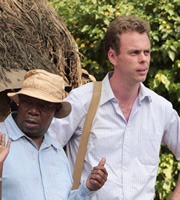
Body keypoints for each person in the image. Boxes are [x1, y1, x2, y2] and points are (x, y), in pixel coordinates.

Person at [49, 15, 180, 200]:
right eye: (134, 53)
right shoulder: (82, 101)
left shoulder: (161, 108)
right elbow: (43, 152)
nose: (144, 59)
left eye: (147, 52)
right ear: (113, 56)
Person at [0, 69, 108, 200]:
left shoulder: (56, 152)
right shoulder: (2, 140)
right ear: (19, 102)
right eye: (28, 102)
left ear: (56, 110)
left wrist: (88, 188)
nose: (33, 111)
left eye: (43, 106)